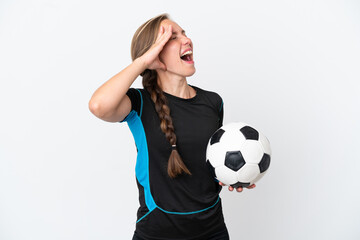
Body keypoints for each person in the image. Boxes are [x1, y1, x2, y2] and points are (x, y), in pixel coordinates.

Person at [89, 13, 255, 240]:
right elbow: (99, 106)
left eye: (184, 33)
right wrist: (141, 63)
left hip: (212, 229)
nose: (186, 40)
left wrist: (233, 173)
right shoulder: (139, 103)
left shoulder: (213, 102)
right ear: (153, 52)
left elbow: (207, 161)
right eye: (172, 37)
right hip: (156, 232)